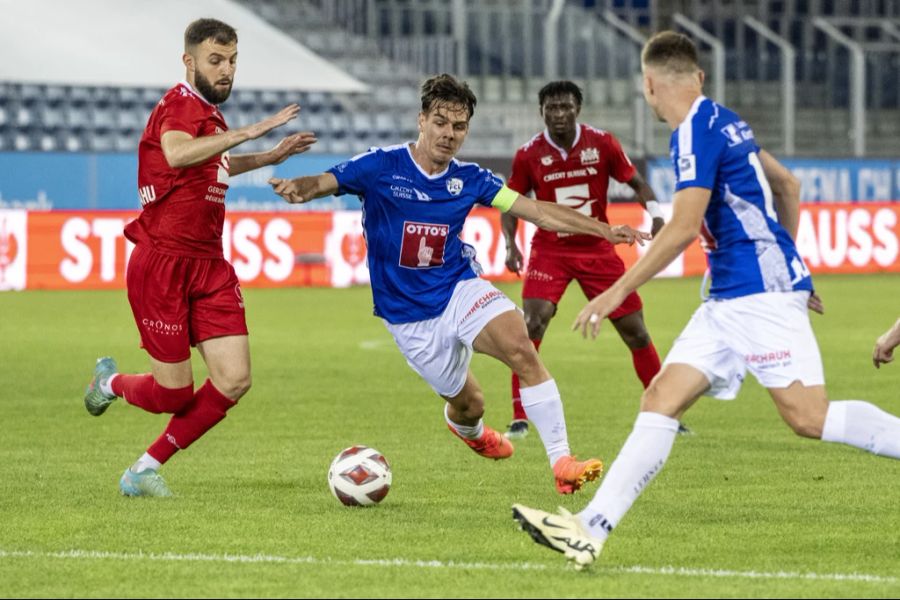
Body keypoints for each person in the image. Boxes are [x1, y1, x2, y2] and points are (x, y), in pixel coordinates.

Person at [511, 31, 900, 568]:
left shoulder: (693, 133)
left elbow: (684, 227)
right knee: (660, 400)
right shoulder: (724, 118)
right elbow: (786, 185)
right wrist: (788, 262)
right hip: (731, 296)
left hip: (755, 294)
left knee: (808, 417)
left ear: (648, 85)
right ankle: (589, 529)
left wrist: (617, 290)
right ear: (697, 77)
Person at [269, 74, 650, 494]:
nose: (449, 134)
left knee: (520, 344)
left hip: (458, 288)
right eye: (440, 122)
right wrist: (298, 190)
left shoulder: (471, 180)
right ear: (422, 120)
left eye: (459, 126)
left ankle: (562, 461)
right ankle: (469, 431)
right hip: (409, 317)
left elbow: (536, 211)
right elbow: (325, 181)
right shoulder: (381, 166)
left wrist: (602, 228)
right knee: (470, 405)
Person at [82, 18, 317, 497]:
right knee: (173, 394)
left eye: (232, 61)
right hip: (162, 263)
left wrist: (269, 156)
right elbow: (176, 154)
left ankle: (142, 470)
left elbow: (215, 161)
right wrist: (253, 131)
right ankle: (109, 383)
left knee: (235, 379)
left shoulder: (211, 115)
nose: (226, 70)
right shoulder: (177, 105)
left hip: (209, 264)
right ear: (188, 62)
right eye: (216, 60)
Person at [500, 80, 667, 441]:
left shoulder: (602, 143)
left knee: (635, 330)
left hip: (597, 248)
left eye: (566, 107)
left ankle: (663, 409)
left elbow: (637, 182)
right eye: (552, 108)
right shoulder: (528, 154)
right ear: (541, 112)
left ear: (578, 109)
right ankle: (519, 415)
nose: (559, 114)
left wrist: (654, 213)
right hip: (551, 250)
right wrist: (510, 245)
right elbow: (510, 203)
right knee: (532, 324)